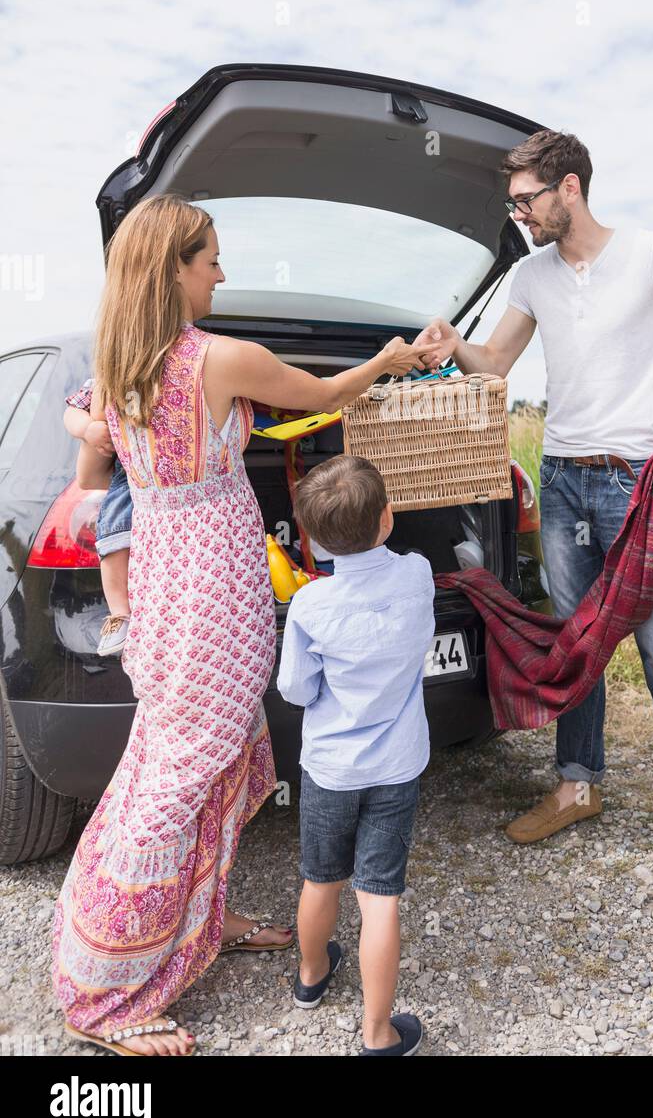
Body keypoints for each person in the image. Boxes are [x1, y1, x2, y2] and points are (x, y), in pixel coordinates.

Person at [52, 195, 433, 1057]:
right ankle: (103, 991)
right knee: (175, 782)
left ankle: (195, 924)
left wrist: (94, 430)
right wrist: (388, 356)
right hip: (216, 594)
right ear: (173, 268)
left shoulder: (121, 366)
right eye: (211, 259)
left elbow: (87, 477)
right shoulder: (225, 358)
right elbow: (330, 394)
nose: (222, 274)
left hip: (162, 584)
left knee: (190, 764)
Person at [415, 129, 653, 903]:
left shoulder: (648, 253)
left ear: (568, 189)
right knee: (578, 644)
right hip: (563, 477)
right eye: (514, 202)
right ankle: (576, 785)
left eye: (527, 199)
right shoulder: (532, 276)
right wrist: (451, 343)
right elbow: (494, 365)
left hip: (638, 480)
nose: (520, 214)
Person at [277, 455, 433, 1056]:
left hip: (330, 771)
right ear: (388, 518)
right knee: (380, 898)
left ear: (311, 540)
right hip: (396, 768)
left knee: (321, 880)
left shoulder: (312, 607)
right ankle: (378, 1032)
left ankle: (312, 976)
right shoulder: (417, 573)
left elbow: (295, 689)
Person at [63, 380, 133, 655]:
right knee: (114, 532)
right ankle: (119, 613)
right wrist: (88, 429)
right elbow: (71, 412)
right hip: (127, 470)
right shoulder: (108, 373)